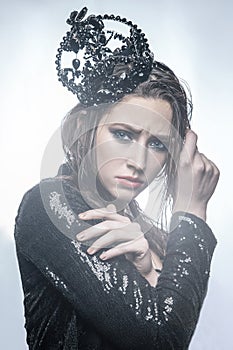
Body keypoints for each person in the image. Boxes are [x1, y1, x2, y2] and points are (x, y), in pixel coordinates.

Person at [14, 7, 219, 350]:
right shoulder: (50, 205)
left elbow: (161, 326)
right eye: (123, 134)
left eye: (157, 144)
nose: (138, 162)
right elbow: (161, 342)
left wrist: (147, 269)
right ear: (84, 128)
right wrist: (193, 211)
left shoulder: (142, 232)